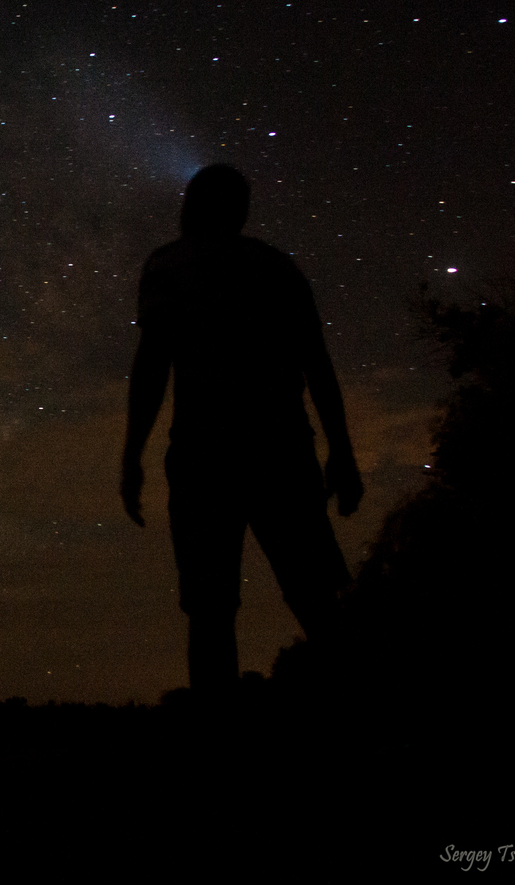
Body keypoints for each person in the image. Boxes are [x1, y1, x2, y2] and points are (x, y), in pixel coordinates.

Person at [120, 164, 363, 697]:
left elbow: (153, 362)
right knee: (319, 597)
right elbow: (316, 364)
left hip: (203, 453)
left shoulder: (169, 265)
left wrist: (132, 452)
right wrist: (341, 451)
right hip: (282, 448)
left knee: (209, 612)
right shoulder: (276, 267)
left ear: (191, 206)